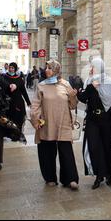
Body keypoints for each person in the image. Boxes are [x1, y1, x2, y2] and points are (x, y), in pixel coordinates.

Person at [77, 57, 111, 189]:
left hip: (107, 119)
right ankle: (99, 175)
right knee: (94, 147)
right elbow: (82, 98)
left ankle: (109, 175)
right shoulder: (89, 82)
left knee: (108, 146)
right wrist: (90, 87)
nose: (91, 69)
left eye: (93, 67)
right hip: (93, 119)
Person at [30, 60, 79, 189]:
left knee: (66, 151)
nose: (47, 70)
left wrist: (73, 97)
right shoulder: (41, 85)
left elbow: (73, 105)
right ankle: (50, 177)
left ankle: (70, 179)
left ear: (57, 70)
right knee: (47, 151)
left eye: (50, 68)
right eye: (46, 68)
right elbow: (35, 105)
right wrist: (35, 120)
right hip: (47, 123)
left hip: (63, 123)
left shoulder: (65, 84)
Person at [4, 62, 31, 140]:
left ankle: (17, 134)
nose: (11, 69)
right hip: (9, 102)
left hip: (18, 102)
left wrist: (28, 102)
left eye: (12, 68)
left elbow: (24, 91)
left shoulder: (19, 78)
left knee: (18, 119)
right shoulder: (4, 77)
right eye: (10, 67)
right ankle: (10, 134)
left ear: (15, 69)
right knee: (10, 119)